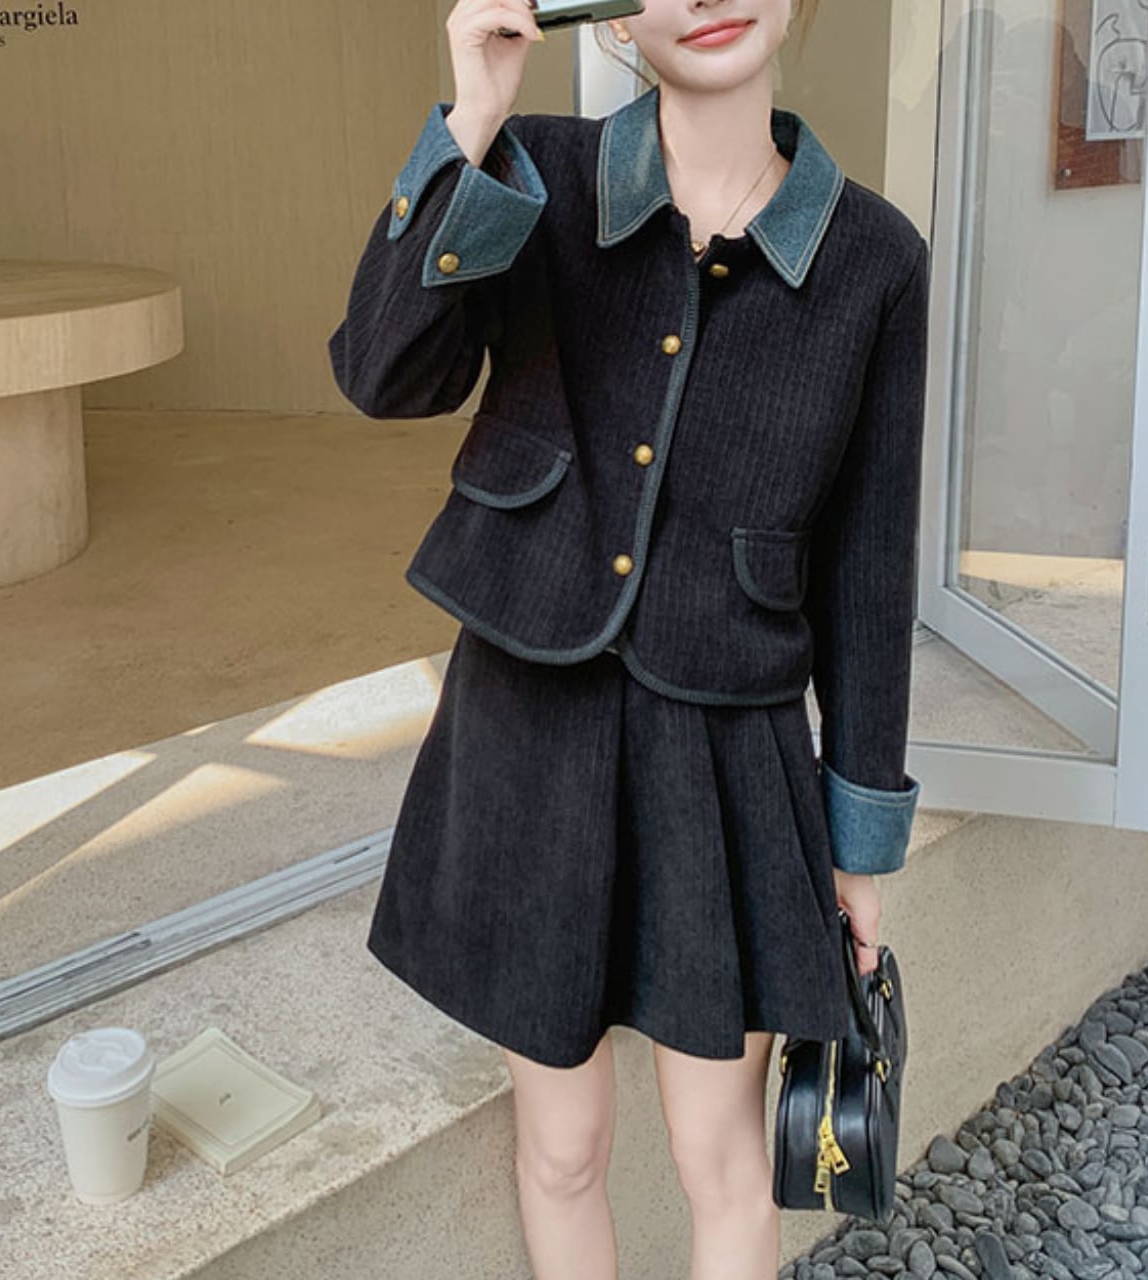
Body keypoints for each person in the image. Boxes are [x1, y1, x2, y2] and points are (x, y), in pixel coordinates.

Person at [327, 0, 929, 1275]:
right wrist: (471, 120)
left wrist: (858, 845)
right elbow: (381, 372)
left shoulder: (875, 257)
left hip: (726, 748)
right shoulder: (534, 172)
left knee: (722, 1155)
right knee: (560, 1147)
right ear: (607, 19)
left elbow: (869, 566)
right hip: (525, 730)